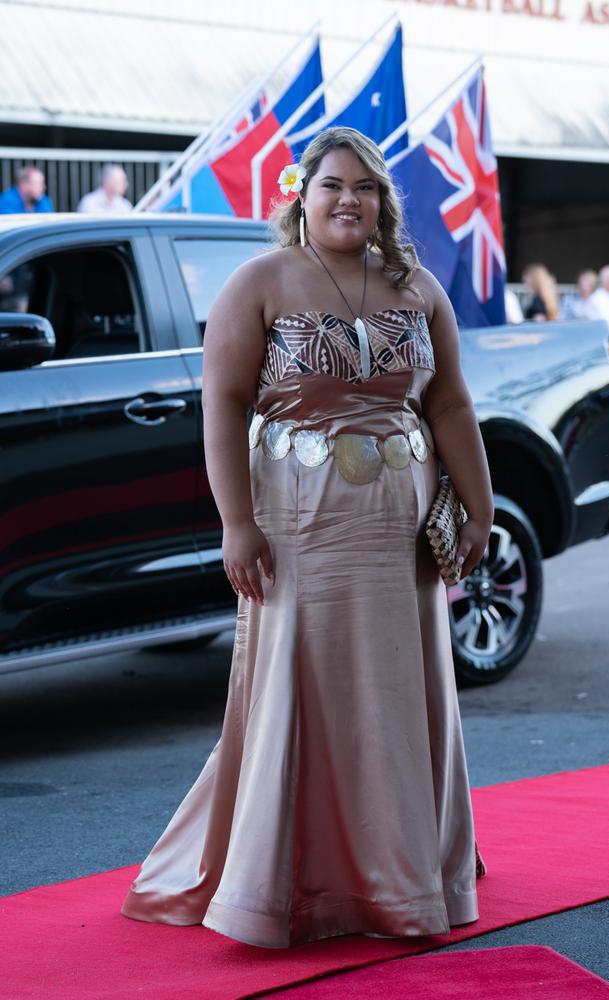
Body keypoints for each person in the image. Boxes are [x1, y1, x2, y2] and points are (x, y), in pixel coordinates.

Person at [121, 127, 494, 949]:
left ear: (384, 203)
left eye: (365, 187)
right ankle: (298, 878)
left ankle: (406, 871)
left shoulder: (419, 288)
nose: (349, 200)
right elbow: (221, 403)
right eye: (332, 185)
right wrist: (236, 523)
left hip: (401, 523)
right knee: (308, 686)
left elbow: (453, 406)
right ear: (301, 195)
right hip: (300, 523)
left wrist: (479, 506)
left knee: (399, 689)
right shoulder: (259, 282)